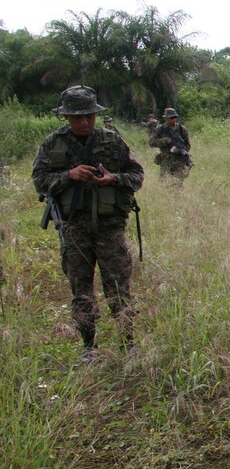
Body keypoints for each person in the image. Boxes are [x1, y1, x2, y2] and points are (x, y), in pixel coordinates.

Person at [31, 85, 144, 361]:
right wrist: (69, 175)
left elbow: (137, 175)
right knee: (81, 290)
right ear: (66, 116)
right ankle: (89, 347)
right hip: (74, 227)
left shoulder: (112, 140)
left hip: (109, 227)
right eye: (76, 116)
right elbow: (39, 180)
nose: (83, 122)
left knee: (118, 288)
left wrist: (113, 179)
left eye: (89, 116)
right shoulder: (53, 143)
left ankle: (128, 344)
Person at [148, 107, 192, 185]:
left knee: (178, 184)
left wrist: (180, 150)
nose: (173, 119)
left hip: (179, 161)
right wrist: (165, 140)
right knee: (164, 183)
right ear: (166, 118)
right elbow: (151, 142)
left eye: (174, 117)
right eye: (171, 118)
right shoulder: (160, 129)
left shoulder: (182, 129)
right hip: (166, 161)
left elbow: (187, 144)